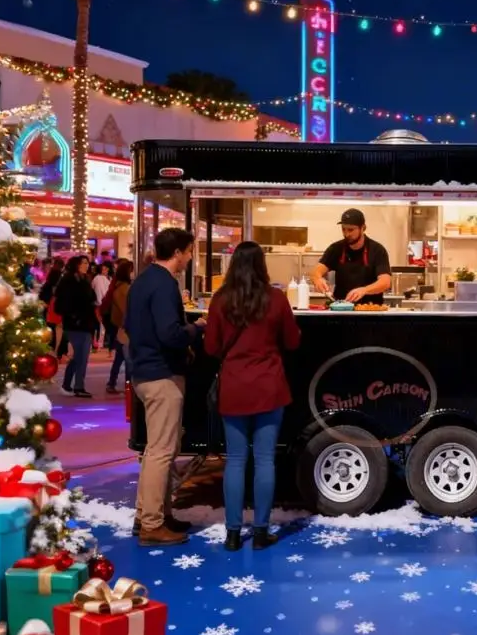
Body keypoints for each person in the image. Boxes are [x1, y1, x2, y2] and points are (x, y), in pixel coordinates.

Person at [205, 242, 301, 551]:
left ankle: (233, 534)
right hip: (269, 388)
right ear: (261, 265)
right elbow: (292, 341)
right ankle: (261, 532)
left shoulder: (220, 301)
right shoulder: (275, 299)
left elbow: (211, 348)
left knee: (235, 461)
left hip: (234, 388)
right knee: (264, 461)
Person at [125, 228, 205, 546]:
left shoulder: (143, 280)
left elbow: (132, 326)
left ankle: (152, 513)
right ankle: (152, 524)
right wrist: (195, 329)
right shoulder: (163, 284)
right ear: (177, 253)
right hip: (161, 376)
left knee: (155, 451)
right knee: (162, 451)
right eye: (188, 252)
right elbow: (169, 333)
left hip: (144, 373)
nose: (189, 257)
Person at [311, 209, 391, 303]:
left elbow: (385, 282)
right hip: (341, 309)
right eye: (343, 229)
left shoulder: (377, 250)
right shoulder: (336, 248)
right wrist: (318, 279)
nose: (346, 234)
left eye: (351, 230)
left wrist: (364, 290)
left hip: (371, 310)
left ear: (363, 228)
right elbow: (316, 271)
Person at [54, 256, 97, 398]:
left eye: (87, 263)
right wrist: (75, 317)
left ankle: (68, 384)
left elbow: (90, 299)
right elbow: (63, 303)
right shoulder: (69, 280)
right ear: (76, 265)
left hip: (85, 323)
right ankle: (78, 386)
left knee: (79, 356)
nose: (86, 265)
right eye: (83, 263)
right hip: (76, 324)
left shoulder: (85, 280)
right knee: (81, 356)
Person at [105, 259, 134, 395]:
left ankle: (112, 383)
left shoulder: (119, 287)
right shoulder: (124, 289)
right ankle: (127, 386)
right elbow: (127, 310)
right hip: (125, 329)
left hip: (121, 328)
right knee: (127, 359)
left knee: (120, 358)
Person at [39, 264, 64, 354]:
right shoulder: (59, 286)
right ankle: (58, 350)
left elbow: (42, 297)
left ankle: (52, 349)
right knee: (59, 330)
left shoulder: (47, 285)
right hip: (57, 310)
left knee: (51, 330)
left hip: (49, 311)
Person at [91, 261, 113, 351]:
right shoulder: (98, 278)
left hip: (107, 304)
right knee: (100, 323)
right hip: (99, 304)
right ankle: (98, 342)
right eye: (103, 269)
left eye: (106, 268)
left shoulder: (110, 278)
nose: (105, 270)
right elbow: (98, 291)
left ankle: (103, 342)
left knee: (104, 324)